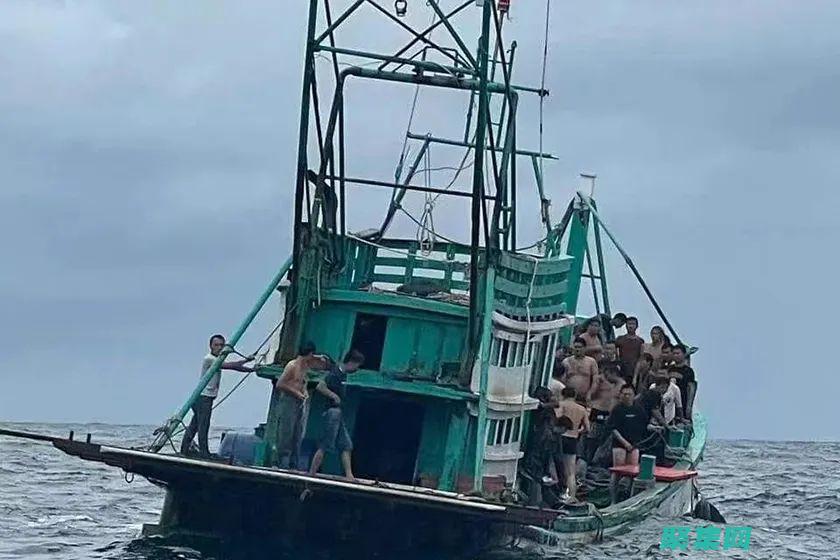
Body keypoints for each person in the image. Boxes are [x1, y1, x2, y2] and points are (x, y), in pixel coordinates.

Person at [180, 334, 254, 456]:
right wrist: (249, 364)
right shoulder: (209, 359)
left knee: (195, 425)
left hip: (205, 397)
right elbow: (232, 366)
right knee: (203, 425)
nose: (219, 347)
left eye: (221, 345)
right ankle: (204, 453)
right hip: (203, 397)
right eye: (216, 345)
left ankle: (184, 450)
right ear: (210, 346)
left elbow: (234, 365)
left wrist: (250, 366)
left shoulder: (217, 360)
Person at [309, 350, 365, 480]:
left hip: (338, 413)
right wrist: (334, 396)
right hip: (332, 412)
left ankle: (349, 475)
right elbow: (320, 387)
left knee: (346, 444)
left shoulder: (343, 375)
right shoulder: (335, 373)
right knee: (325, 444)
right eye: (357, 365)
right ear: (351, 362)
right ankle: (312, 472)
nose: (357, 369)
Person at [275, 341, 329, 470]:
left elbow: (304, 382)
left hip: (299, 401)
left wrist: (304, 392)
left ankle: (293, 463)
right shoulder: (292, 366)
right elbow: (280, 384)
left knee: (297, 432)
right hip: (289, 400)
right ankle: (280, 462)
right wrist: (296, 393)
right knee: (286, 431)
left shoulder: (305, 366)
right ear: (309, 353)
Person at [606, 385, 649, 503]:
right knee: (617, 472)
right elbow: (613, 429)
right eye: (624, 394)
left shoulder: (639, 409)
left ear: (633, 395)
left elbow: (645, 424)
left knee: (632, 472)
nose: (626, 396)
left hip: (635, 444)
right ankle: (613, 500)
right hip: (620, 444)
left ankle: (628, 497)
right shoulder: (617, 409)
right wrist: (624, 443)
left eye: (629, 394)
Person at [553, 387, 590, 501]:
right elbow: (587, 428)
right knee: (570, 472)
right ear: (574, 396)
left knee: (556, 467)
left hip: (560, 438)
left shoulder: (561, 404)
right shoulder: (582, 409)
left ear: (563, 395)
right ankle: (571, 496)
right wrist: (577, 431)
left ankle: (559, 493)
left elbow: (557, 418)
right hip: (573, 439)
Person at [561, 338, 600, 402]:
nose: (577, 349)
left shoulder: (591, 362)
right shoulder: (566, 361)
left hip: (584, 396)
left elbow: (595, 380)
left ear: (584, 348)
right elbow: (562, 379)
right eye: (575, 347)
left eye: (579, 347)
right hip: (569, 396)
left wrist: (590, 394)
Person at [669, 345, 697, 419]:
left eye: (678, 353)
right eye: (674, 353)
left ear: (684, 354)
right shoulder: (669, 368)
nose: (676, 355)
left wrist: (689, 407)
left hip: (682, 399)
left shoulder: (688, 371)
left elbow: (691, 388)